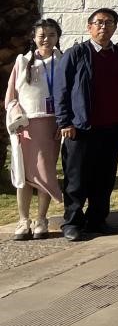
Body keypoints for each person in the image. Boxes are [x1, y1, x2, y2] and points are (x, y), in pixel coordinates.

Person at [55, 9, 118, 242]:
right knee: (76, 178)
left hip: (112, 127)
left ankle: (97, 220)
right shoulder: (76, 53)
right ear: (89, 27)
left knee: (105, 178)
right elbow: (61, 89)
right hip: (80, 128)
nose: (103, 27)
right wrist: (64, 121)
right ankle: (72, 222)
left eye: (109, 23)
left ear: (114, 28)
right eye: (98, 22)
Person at [7, 19, 64, 240]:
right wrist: (16, 117)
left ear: (57, 37)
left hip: (52, 125)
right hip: (26, 126)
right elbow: (11, 97)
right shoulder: (22, 61)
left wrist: (63, 122)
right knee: (23, 173)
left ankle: (41, 218)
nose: (46, 39)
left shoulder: (63, 61)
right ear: (34, 37)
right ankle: (23, 219)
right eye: (42, 35)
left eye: (51, 35)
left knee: (45, 172)